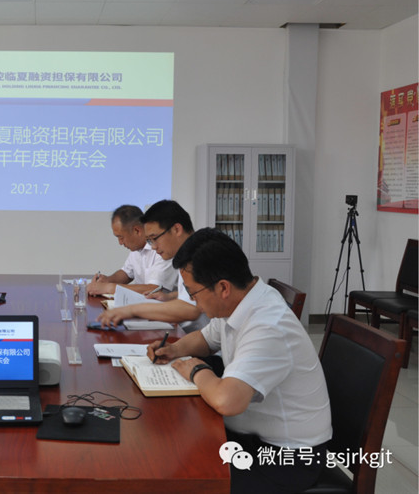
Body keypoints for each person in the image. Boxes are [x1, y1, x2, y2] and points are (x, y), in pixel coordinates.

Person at [150, 228, 331, 494]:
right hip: (254, 437)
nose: (195, 303)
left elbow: (227, 401)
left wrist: (197, 370)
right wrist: (174, 349)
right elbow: (206, 339)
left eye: (194, 293)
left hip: (286, 458)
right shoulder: (241, 301)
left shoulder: (269, 324)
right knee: (173, 447)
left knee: (181, 478)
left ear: (223, 287)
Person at [97, 200, 209, 334]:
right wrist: (171, 296)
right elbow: (195, 294)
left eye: (155, 238)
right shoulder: (185, 254)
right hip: (192, 335)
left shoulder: (199, 255)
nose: (154, 247)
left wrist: (132, 310)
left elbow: (191, 309)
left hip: (201, 336)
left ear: (176, 229)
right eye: (150, 241)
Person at [87, 204, 177, 296]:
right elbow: (126, 273)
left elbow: (154, 289)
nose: (120, 243)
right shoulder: (137, 249)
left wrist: (109, 288)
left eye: (121, 237)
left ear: (137, 230)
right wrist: (107, 280)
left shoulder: (162, 248)